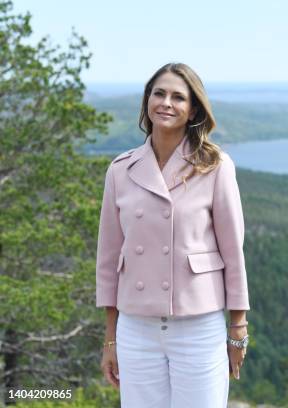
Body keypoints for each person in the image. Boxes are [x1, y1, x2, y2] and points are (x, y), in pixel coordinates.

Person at [96, 62, 250, 408]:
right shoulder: (121, 170)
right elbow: (108, 258)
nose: (166, 102)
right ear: (147, 101)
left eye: (178, 97)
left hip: (198, 327)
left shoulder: (215, 166)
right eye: (159, 93)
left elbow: (233, 251)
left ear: (192, 108)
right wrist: (110, 338)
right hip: (135, 329)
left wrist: (237, 326)